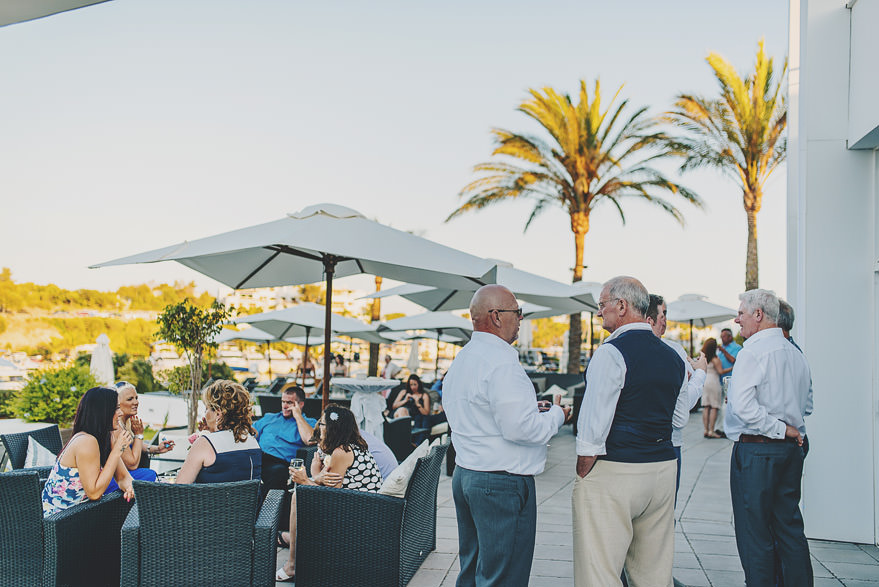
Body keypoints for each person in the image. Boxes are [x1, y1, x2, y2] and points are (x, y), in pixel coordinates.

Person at [443, 284, 568, 587]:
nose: (520, 319)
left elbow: (478, 409)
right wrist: (557, 415)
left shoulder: (463, 359)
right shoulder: (501, 362)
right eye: (517, 313)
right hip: (500, 483)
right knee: (503, 576)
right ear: (497, 316)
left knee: (472, 570)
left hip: (468, 475)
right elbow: (522, 429)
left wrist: (529, 408)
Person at [573, 276, 688, 587]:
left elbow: (594, 424)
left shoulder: (610, 352)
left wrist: (585, 471)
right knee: (653, 572)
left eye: (602, 305)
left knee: (599, 570)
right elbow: (680, 418)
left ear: (621, 306)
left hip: (617, 470)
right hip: (662, 470)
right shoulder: (673, 357)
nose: (599, 313)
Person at [725, 289, 813, 586]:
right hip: (791, 451)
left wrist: (778, 428)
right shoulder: (796, 353)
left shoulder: (753, 351)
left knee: (755, 534)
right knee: (789, 528)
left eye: (741, 313)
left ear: (759, 315)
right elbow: (808, 404)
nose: (738, 319)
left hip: (758, 452)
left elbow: (742, 407)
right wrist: (789, 427)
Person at [276, 405, 383, 582]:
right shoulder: (350, 447)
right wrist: (316, 476)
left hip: (358, 516)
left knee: (298, 496)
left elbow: (331, 498)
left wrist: (305, 480)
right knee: (302, 493)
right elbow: (327, 483)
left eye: (323, 424)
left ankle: (292, 564)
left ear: (333, 428)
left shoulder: (342, 452)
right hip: (363, 506)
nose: (319, 426)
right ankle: (293, 545)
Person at [646, 294, 706, 497]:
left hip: (633, 446)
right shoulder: (674, 352)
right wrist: (700, 374)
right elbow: (682, 408)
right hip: (669, 444)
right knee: (664, 511)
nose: (666, 320)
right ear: (650, 318)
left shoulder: (618, 347)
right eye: (663, 314)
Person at [41, 387, 135, 517]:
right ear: (103, 412)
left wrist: (129, 487)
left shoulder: (106, 437)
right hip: (59, 521)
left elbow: (123, 477)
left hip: (81, 514)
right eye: (116, 408)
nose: (120, 413)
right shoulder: (86, 442)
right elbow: (94, 493)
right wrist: (117, 451)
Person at [253, 385, 316, 529]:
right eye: (283, 402)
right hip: (258, 457)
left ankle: (265, 523)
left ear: (300, 404)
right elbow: (252, 433)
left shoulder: (308, 422)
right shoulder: (270, 417)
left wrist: (297, 415)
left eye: (290, 403)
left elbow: (310, 440)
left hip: (280, 463)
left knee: (276, 473)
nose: (285, 406)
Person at [176, 380, 262, 484]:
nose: (204, 413)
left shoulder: (204, 444)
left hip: (209, 500)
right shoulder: (252, 441)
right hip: (249, 500)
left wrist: (206, 438)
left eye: (206, 408)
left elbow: (180, 487)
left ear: (218, 413)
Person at [105, 381, 176, 493]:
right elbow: (132, 464)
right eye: (130, 399)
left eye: (136, 398)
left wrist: (157, 449)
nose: (136, 402)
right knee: (150, 475)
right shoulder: (116, 427)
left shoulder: (125, 424)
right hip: (112, 479)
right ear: (117, 403)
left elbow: (134, 445)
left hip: (122, 475)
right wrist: (139, 434)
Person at [700, 338, 724, 438]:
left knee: (706, 406)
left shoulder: (702, 358)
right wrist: (732, 368)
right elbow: (721, 371)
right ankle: (711, 431)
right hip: (714, 381)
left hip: (705, 381)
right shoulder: (715, 359)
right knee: (714, 406)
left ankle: (705, 430)